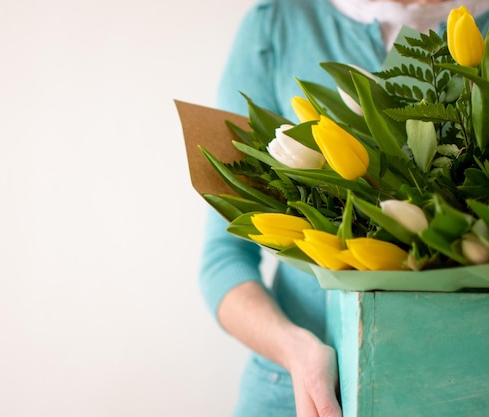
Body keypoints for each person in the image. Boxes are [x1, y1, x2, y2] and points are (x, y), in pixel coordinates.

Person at [200, 0, 489, 416]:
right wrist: (295, 351)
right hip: (302, 392)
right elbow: (222, 256)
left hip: (460, 390)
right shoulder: (279, 24)